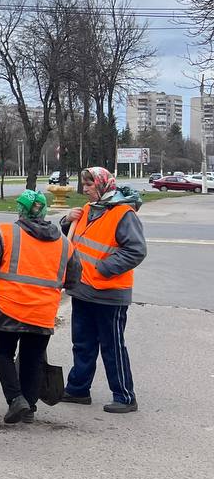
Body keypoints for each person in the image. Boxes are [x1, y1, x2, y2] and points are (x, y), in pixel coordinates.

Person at [0, 190, 81, 424]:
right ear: (44, 211)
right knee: (33, 358)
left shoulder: (5, 233)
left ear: (20, 210)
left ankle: (16, 400)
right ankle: (30, 407)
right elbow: (73, 279)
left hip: (7, 307)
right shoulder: (64, 243)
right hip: (43, 311)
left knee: (2, 352)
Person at [59, 166, 147, 413]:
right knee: (83, 343)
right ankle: (78, 389)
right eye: (84, 184)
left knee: (112, 346)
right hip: (83, 289)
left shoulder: (123, 213)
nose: (85, 189)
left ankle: (124, 396)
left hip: (109, 292)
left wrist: (104, 267)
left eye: (89, 185)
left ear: (103, 185)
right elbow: (74, 239)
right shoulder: (88, 209)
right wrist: (66, 221)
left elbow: (136, 250)